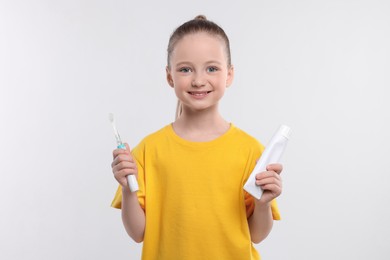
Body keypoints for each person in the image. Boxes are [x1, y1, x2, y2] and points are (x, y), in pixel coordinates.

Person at [111, 15, 283, 260]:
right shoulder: (148, 150)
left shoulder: (251, 151)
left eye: (212, 68)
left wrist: (264, 203)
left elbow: (256, 235)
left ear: (229, 75)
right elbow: (138, 232)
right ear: (170, 76)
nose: (199, 80)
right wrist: (128, 189)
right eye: (185, 69)